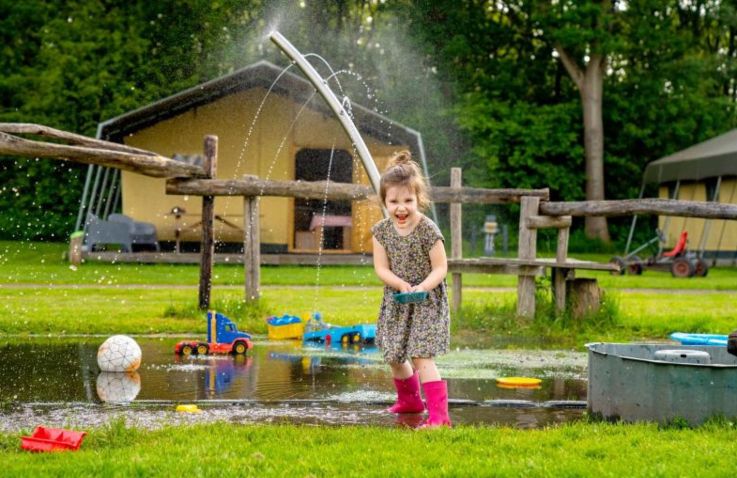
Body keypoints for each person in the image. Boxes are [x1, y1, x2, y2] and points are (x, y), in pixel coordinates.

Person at [371, 150, 451, 428]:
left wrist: (423, 286)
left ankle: (440, 418)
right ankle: (410, 402)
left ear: (418, 199)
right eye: (394, 201)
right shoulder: (381, 231)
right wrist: (399, 284)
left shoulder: (428, 229)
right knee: (394, 354)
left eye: (408, 200)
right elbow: (381, 268)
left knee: (420, 355)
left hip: (427, 300)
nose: (401, 207)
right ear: (384, 201)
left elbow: (441, 267)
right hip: (397, 299)